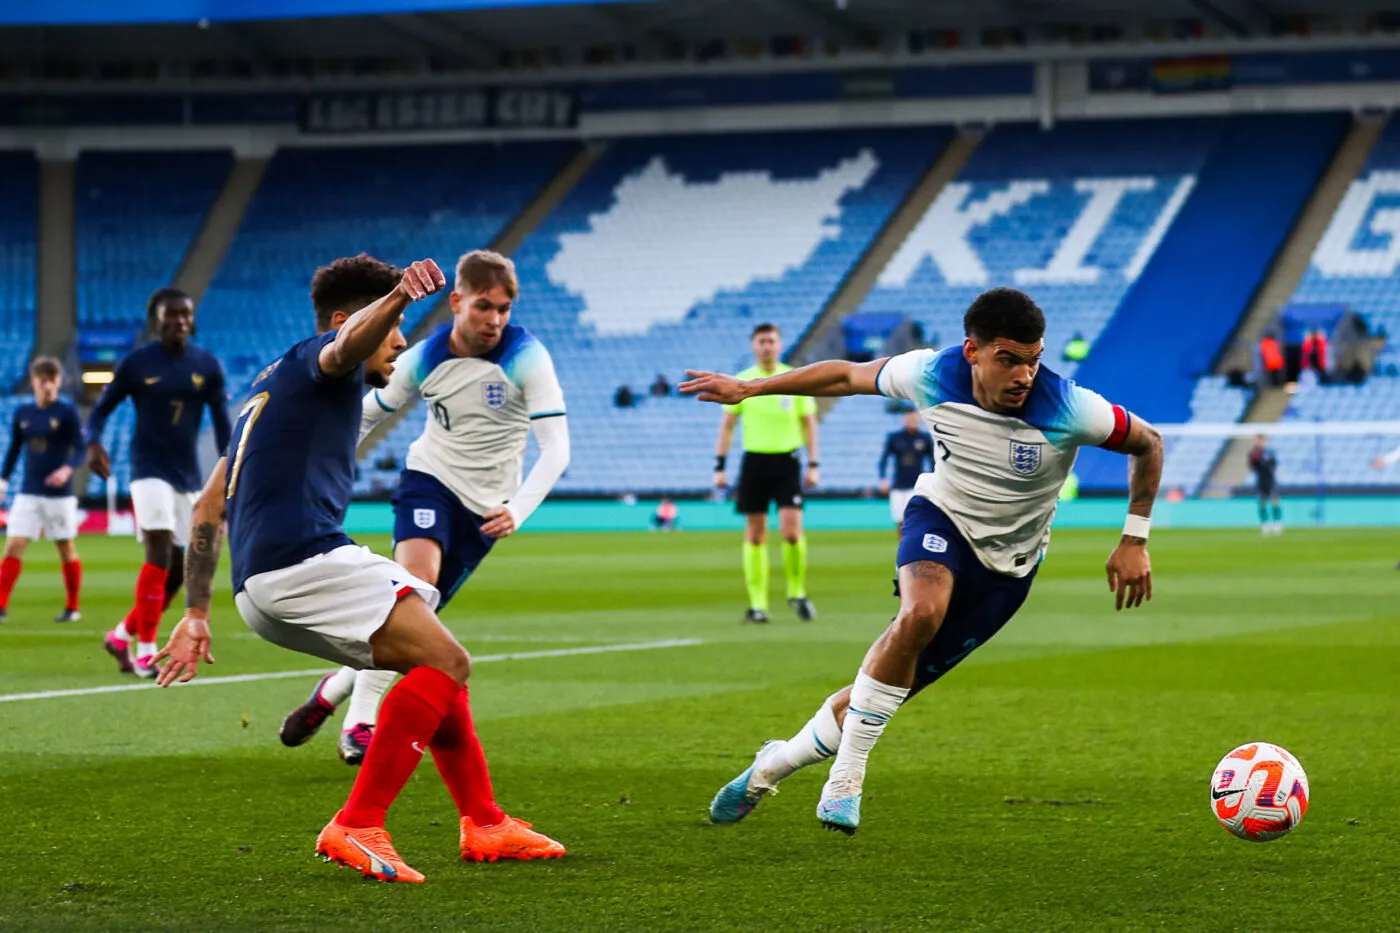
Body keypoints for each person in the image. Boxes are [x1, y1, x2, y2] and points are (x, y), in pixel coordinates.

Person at [681, 286, 1161, 835]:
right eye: (1008, 360)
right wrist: (751, 388)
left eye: (1032, 360)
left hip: (1008, 569)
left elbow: (1148, 442)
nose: (1024, 375)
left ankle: (773, 764)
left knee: (881, 694)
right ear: (972, 351)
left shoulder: (1072, 406)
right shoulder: (930, 372)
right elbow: (844, 376)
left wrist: (1135, 538)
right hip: (940, 519)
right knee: (920, 614)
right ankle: (848, 778)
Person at [157, 256, 561, 884]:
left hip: (258, 589)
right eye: (393, 326)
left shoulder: (267, 388)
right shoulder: (328, 360)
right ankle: (358, 821)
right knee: (449, 663)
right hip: (305, 561)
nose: (400, 342)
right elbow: (348, 344)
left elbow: (211, 507)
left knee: (435, 659)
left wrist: (196, 612)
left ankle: (485, 820)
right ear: (352, 319)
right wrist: (400, 293)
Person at [276, 251, 569, 868]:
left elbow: (556, 448)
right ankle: (361, 725)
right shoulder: (425, 354)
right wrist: (304, 460)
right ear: (458, 301)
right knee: (413, 590)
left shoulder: (527, 356)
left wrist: (520, 506)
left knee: (420, 633)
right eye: (483, 304)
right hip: (428, 483)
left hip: (487, 510)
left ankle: (331, 692)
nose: (494, 318)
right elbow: (361, 416)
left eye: (504, 307)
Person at [88, 287, 231, 678]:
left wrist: (229, 469)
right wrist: (92, 442)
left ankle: (121, 635)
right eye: (171, 316)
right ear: (157, 321)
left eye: (185, 315)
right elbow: (100, 411)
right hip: (147, 469)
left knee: (182, 568)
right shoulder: (136, 363)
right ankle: (147, 650)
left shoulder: (207, 365)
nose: (179, 322)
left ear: (192, 319)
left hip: (187, 476)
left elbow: (222, 425)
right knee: (158, 552)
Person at [712, 323, 819, 624]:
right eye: (761, 341)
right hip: (754, 462)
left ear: (780, 345)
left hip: (787, 462)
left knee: (791, 531)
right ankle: (757, 604)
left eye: (771, 341)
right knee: (755, 535)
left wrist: (814, 464)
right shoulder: (741, 381)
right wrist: (719, 465)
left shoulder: (794, 379)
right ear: (753, 345)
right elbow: (727, 425)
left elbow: (809, 422)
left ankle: (796, 592)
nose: (767, 346)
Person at [0, 357, 86, 623]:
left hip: (60, 497)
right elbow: (15, 448)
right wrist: (3, 481)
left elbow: (82, 449)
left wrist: (67, 469)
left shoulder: (67, 413)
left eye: (52, 380)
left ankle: (72, 607)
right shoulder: (23, 414)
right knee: (14, 544)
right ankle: (0, 605)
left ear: (59, 382)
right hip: (29, 492)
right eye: (42, 380)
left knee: (65, 548)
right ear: (34, 381)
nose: (48, 385)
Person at [878, 410, 935, 533]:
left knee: (916, 519)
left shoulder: (924, 438)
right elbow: (883, 460)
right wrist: (883, 478)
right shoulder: (895, 438)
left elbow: (933, 461)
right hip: (898, 485)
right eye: (910, 418)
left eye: (915, 419)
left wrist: (933, 480)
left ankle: (914, 546)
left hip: (917, 486)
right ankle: (903, 547)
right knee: (899, 519)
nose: (912, 421)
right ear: (904, 420)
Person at [1248, 435, 1282, 536]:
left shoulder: (1269, 453)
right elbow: (1252, 467)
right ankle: (1264, 524)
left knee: (1275, 501)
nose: (1259, 443)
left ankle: (1277, 523)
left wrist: (1266, 463)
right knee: (1262, 502)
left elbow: (1274, 464)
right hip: (1260, 480)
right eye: (1257, 441)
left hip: (1270, 480)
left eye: (1261, 441)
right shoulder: (1253, 454)